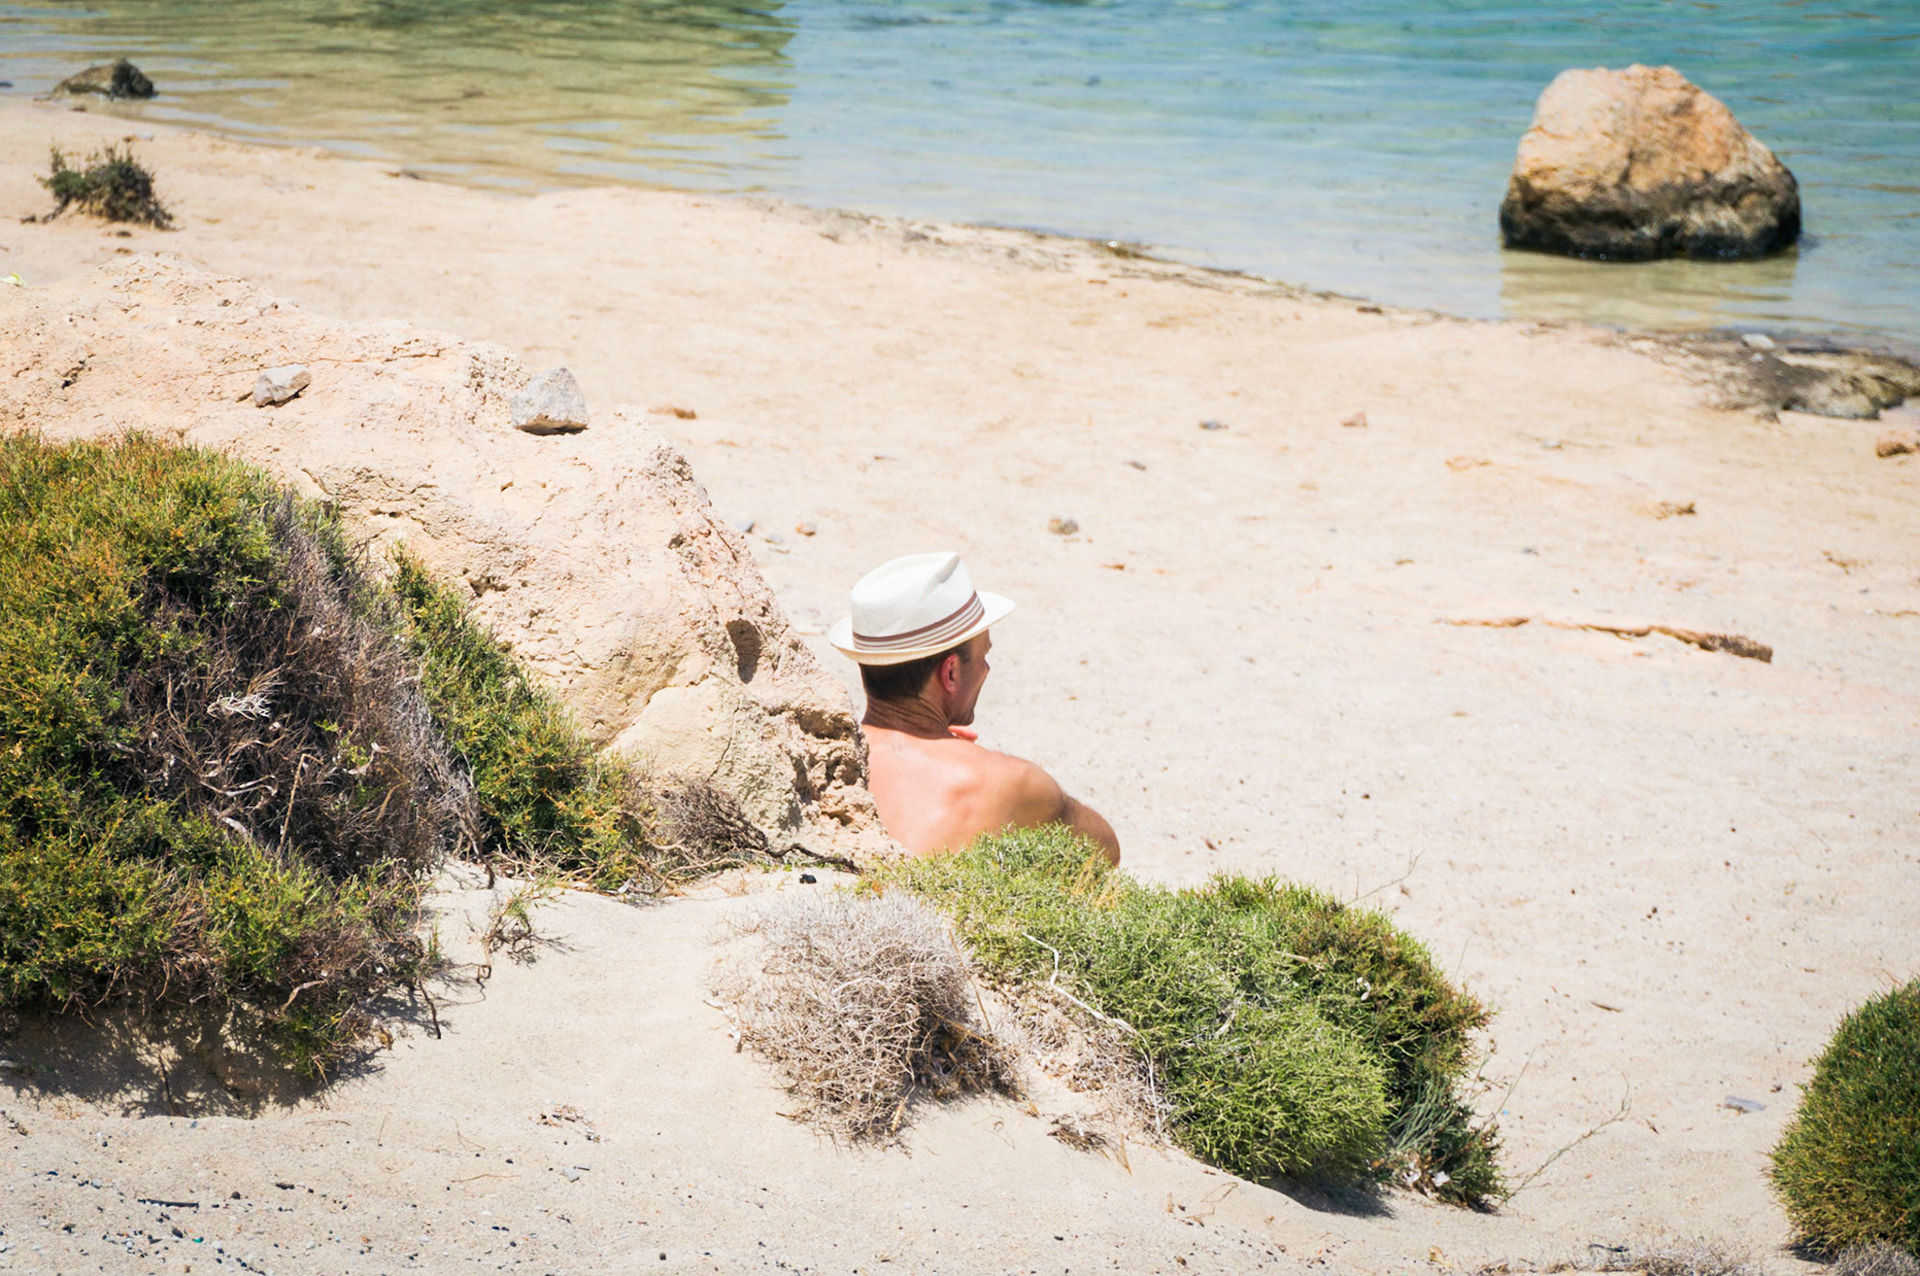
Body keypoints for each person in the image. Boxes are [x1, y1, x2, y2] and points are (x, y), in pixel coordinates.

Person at [828, 552, 1120, 864]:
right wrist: (973, 760)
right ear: (951, 672)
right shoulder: (1010, 782)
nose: (986, 669)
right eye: (983, 656)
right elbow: (1105, 851)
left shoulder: (818, 760)